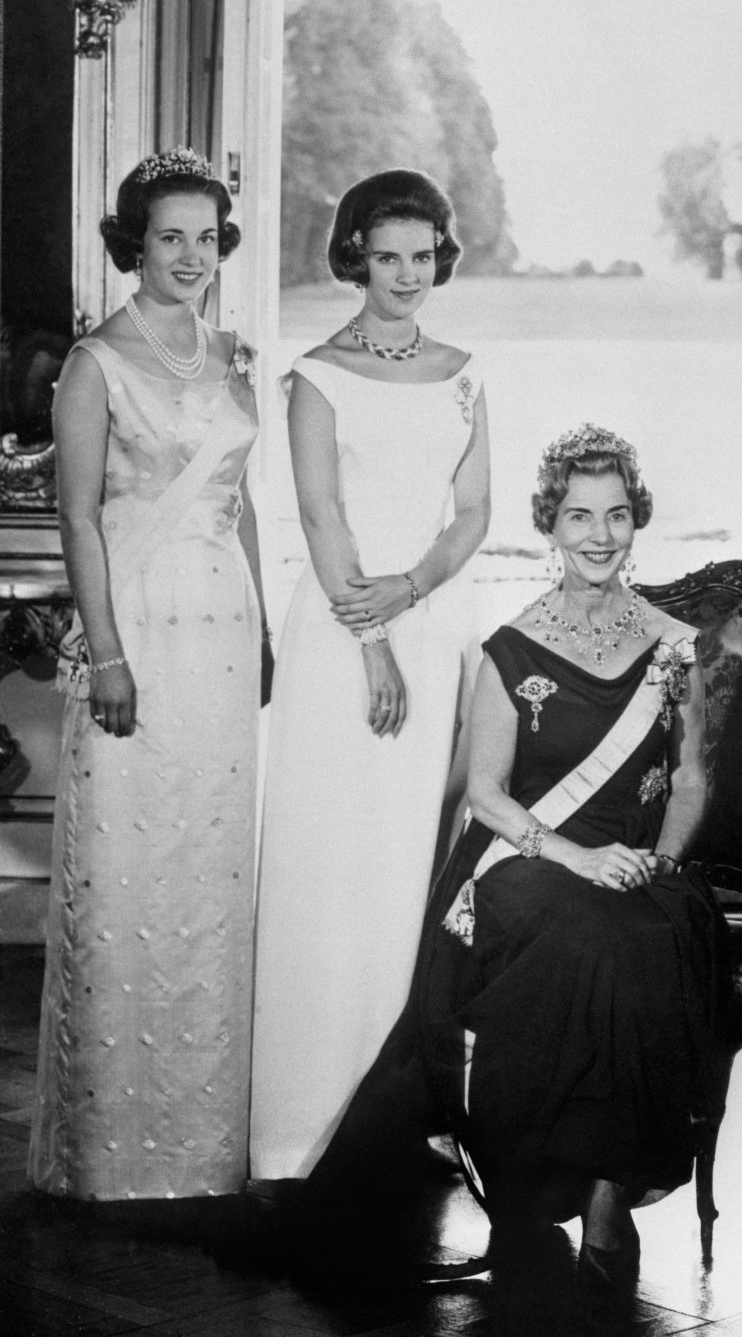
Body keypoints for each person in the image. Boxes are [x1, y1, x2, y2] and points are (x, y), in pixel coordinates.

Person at [297, 426, 728, 1290]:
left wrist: (663, 861)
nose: (599, 536)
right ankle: (546, 1191)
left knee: (658, 933)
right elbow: (487, 796)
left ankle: (607, 1190)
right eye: (578, 516)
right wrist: (579, 857)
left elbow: (690, 777)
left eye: (615, 515)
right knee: (586, 940)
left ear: (635, 520)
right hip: (528, 864)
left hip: (639, 872)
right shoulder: (512, 647)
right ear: (550, 525)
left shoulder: (674, 647)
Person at [30, 147, 268, 1199]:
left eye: (206, 237)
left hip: (223, 634)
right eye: (169, 236)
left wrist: (263, 626)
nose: (190, 255)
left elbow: (244, 497)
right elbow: (77, 515)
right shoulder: (96, 363)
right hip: (139, 633)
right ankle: (113, 1161)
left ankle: (205, 1153)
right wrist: (110, 652)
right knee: (129, 875)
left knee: (208, 879)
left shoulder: (232, 357)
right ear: (134, 244)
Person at [249, 169, 490, 1181]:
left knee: (408, 869)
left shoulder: (466, 370)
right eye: (385, 255)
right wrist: (373, 635)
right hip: (343, 637)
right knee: (331, 866)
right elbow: (318, 515)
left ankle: (396, 1113)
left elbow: (473, 513)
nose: (405, 275)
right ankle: (296, 1129)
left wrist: (413, 591)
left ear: (441, 255)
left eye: (421, 255)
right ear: (355, 255)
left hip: (428, 623)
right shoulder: (317, 373)